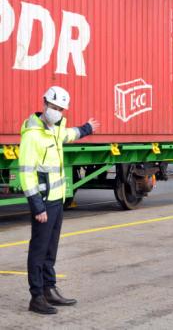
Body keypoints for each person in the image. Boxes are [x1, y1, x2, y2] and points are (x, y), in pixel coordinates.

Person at [19, 86, 100, 315]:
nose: (57, 112)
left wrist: (87, 128)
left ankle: (49, 289)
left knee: (51, 249)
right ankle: (36, 297)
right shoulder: (32, 135)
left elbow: (69, 134)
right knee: (38, 250)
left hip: (57, 200)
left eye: (61, 109)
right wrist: (37, 205)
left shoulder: (55, 129)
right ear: (44, 104)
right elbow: (26, 173)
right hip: (43, 203)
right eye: (54, 107)